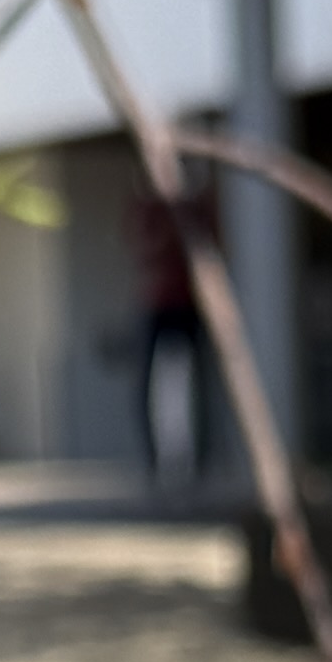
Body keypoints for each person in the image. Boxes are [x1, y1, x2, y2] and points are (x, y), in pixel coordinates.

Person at [128, 184, 215, 488]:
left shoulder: (196, 204)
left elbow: (209, 243)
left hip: (190, 304)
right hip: (157, 304)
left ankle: (198, 461)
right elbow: (143, 247)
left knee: (195, 384)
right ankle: (154, 462)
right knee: (148, 384)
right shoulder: (148, 207)